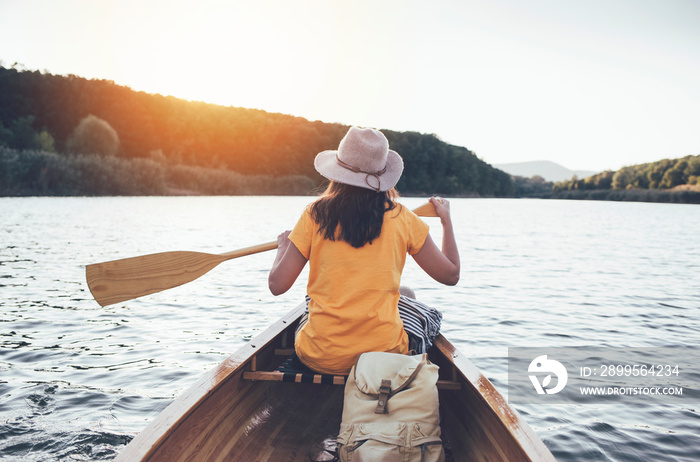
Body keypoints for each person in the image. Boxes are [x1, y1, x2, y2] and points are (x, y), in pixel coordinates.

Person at [268, 126, 460, 375]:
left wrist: (282, 248)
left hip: (319, 357)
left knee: (312, 307)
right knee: (413, 302)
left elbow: (277, 285)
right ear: (383, 176)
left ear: (337, 173)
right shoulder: (403, 219)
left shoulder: (314, 215)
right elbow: (450, 275)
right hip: (383, 357)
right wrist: (446, 221)